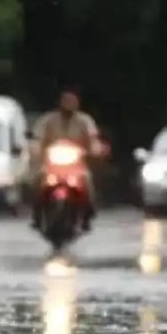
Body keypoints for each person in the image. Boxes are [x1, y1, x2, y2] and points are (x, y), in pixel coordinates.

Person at [30, 89, 105, 232]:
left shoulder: (85, 120)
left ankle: (87, 214)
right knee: (37, 179)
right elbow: (37, 138)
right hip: (52, 163)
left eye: (72, 101)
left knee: (87, 181)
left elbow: (93, 138)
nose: (68, 105)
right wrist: (36, 149)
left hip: (76, 164)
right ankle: (37, 214)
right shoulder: (48, 120)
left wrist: (95, 149)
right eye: (66, 101)